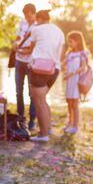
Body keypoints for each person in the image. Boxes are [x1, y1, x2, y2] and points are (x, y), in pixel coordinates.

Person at [27, 10, 65, 143]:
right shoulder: (59, 31)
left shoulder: (36, 29)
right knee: (43, 100)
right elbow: (61, 52)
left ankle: (43, 134)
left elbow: (30, 49)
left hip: (39, 67)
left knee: (39, 102)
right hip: (54, 69)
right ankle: (47, 129)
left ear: (38, 18)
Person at [12, 3, 37, 130]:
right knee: (18, 90)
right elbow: (17, 37)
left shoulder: (38, 26)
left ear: (34, 13)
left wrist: (23, 50)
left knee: (32, 91)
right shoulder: (22, 23)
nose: (27, 18)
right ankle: (20, 116)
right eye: (25, 16)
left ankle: (32, 118)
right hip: (19, 60)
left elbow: (35, 46)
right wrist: (15, 43)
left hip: (31, 62)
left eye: (29, 15)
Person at [63, 31, 89, 135]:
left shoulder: (82, 53)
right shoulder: (69, 53)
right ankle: (70, 122)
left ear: (77, 41)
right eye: (68, 41)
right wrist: (64, 68)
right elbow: (64, 63)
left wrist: (72, 73)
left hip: (76, 79)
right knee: (69, 102)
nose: (69, 43)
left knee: (75, 104)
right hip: (69, 80)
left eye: (71, 41)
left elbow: (83, 67)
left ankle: (75, 125)